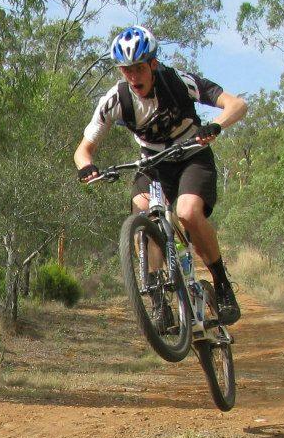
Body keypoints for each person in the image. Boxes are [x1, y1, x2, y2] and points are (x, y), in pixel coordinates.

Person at [74, 25, 247, 324]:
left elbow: (237, 104)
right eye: (126, 70)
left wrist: (216, 125)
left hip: (192, 155)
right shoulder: (117, 99)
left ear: (153, 64)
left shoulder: (178, 82)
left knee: (188, 212)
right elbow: (83, 150)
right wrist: (86, 167)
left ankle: (221, 284)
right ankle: (158, 302)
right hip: (153, 163)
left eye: (139, 68)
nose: (133, 76)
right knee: (143, 211)